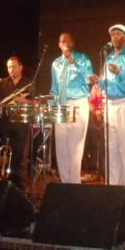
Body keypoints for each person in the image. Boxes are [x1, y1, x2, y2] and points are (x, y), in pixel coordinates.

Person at [91, 24, 125, 198]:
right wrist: (98, 81)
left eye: (119, 34)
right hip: (110, 105)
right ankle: (113, 190)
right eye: (113, 34)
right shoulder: (109, 58)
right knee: (111, 150)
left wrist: (119, 72)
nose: (115, 37)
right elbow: (109, 84)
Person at [50, 32, 94, 183]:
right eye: (62, 41)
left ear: (73, 43)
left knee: (75, 147)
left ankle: (74, 184)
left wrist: (74, 62)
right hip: (61, 105)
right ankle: (65, 183)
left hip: (78, 102)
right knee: (61, 147)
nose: (65, 43)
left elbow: (89, 78)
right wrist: (52, 107)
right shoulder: (56, 63)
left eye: (68, 41)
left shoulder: (82, 58)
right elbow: (54, 88)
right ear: (59, 44)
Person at [0, 56, 32, 190]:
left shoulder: (28, 83)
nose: (11, 69)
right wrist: (0, 103)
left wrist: (24, 101)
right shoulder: (2, 83)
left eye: (14, 66)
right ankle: (5, 183)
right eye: (9, 67)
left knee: (20, 156)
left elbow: (37, 102)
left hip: (22, 124)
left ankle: (20, 186)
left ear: (21, 67)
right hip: (6, 123)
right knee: (6, 154)